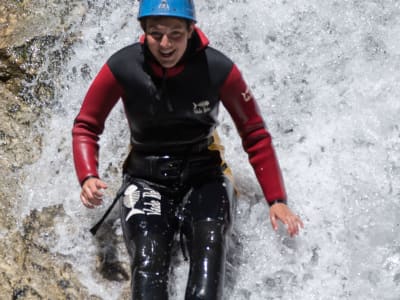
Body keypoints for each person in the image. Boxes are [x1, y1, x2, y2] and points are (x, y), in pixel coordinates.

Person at [72, 0, 304, 299]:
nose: (165, 44)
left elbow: (255, 134)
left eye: (176, 34)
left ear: (191, 30)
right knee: (148, 261)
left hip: (205, 177)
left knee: (209, 250)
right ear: (144, 31)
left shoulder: (218, 69)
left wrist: (277, 199)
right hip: (147, 180)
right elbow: (86, 126)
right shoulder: (123, 67)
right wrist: (87, 175)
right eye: (156, 34)